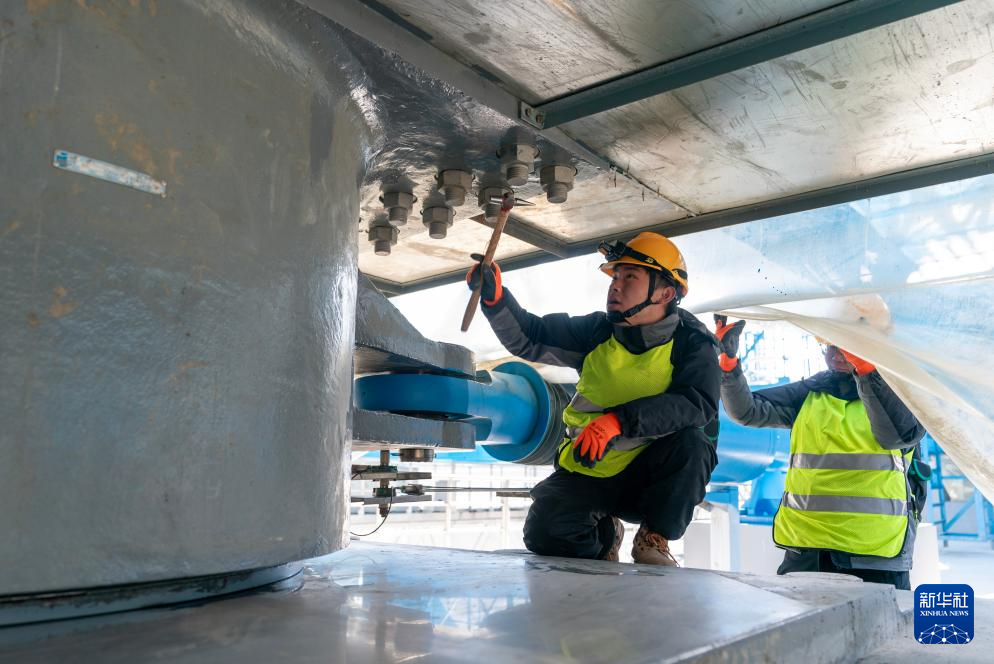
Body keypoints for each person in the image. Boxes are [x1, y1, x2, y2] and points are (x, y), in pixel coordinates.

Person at [466, 232, 720, 565]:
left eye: (630, 277)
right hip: (590, 463)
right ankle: (606, 536)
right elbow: (532, 336)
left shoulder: (693, 343)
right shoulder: (598, 332)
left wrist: (618, 421)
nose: (615, 286)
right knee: (545, 533)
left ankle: (653, 536)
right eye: (615, 277)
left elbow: (697, 403)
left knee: (694, 444)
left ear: (665, 293)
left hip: (650, 477)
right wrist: (496, 299)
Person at [714, 317, 925, 589]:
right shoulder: (811, 392)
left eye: (846, 347)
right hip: (807, 550)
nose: (836, 354)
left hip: (874, 554)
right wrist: (729, 365)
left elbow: (895, 435)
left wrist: (865, 370)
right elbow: (747, 411)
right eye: (831, 346)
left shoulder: (901, 394)